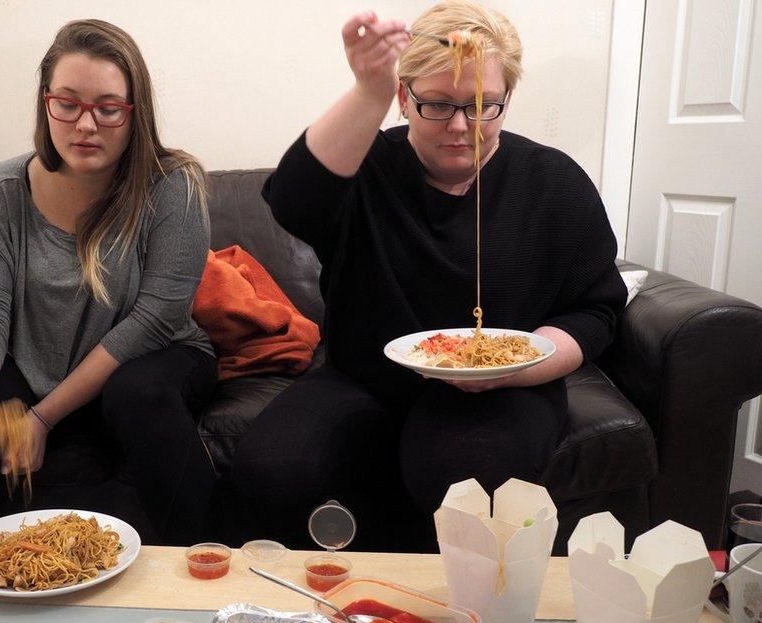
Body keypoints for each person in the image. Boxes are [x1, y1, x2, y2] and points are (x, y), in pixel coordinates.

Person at [231, 0, 626, 551]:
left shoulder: (554, 183)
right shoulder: (365, 167)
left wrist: (516, 367)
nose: (462, 127)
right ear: (403, 99)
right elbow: (294, 202)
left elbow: (595, 309)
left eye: (483, 105)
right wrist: (366, 91)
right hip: (363, 378)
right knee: (271, 468)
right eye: (437, 105)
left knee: (462, 472)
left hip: (505, 390)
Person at [0, 19, 217, 545]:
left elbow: (155, 322)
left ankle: (209, 562)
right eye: (68, 103)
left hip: (154, 359)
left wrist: (42, 416)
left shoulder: (175, 185)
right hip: (37, 369)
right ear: (46, 104)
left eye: (108, 108)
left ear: (136, 114)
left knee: (137, 393)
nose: (86, 124)